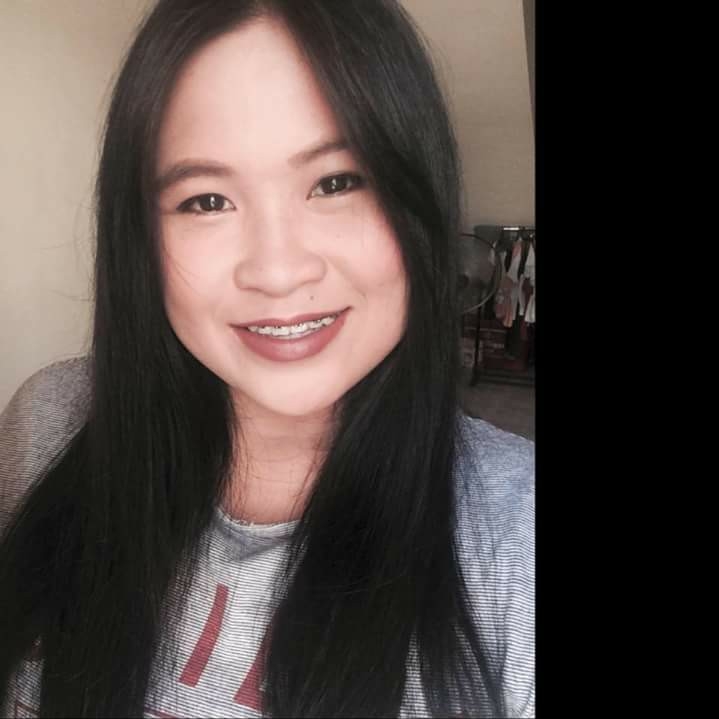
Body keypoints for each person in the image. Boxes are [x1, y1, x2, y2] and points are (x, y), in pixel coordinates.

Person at [0, 1, 535, 717]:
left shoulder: (517, 537)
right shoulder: (49, 421)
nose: (277, 272)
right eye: (207, 200)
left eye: (336, 182)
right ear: (139, 237)